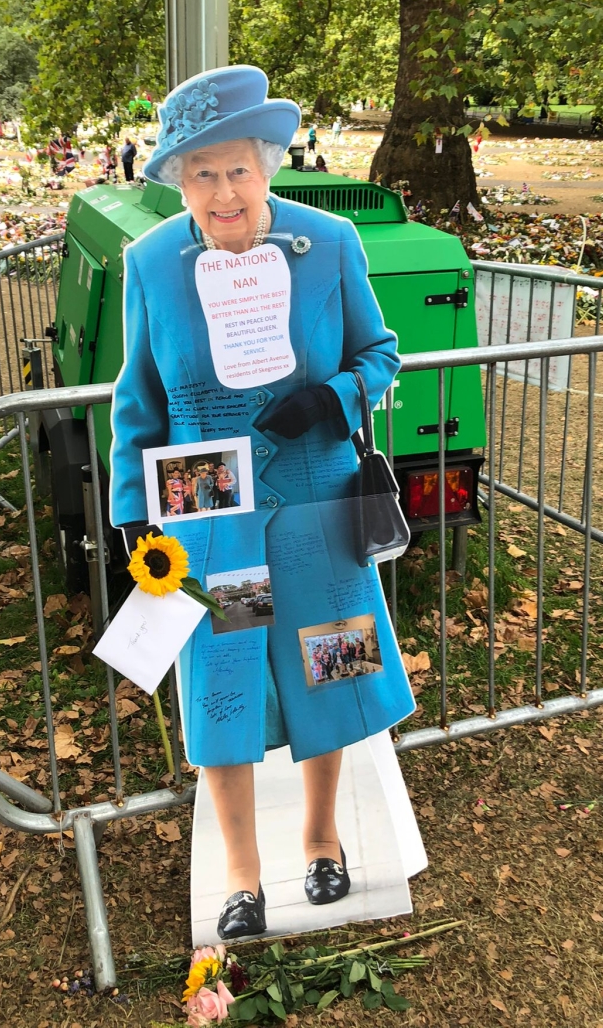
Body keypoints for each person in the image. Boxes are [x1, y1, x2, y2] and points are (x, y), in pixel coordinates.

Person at [109, 64, 414, 941]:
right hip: (214, 515)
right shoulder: (153, 263)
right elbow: (138, 398)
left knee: (329, 669)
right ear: (178, 180)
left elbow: (381, 354)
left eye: (237, 168)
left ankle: (322, 840)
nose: (222, 190)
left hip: (317, 503)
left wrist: (337, 398)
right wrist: (136, 509)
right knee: (227, 684)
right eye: (201, 172)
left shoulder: (329, 245)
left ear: (268, 165)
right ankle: (242, 874)